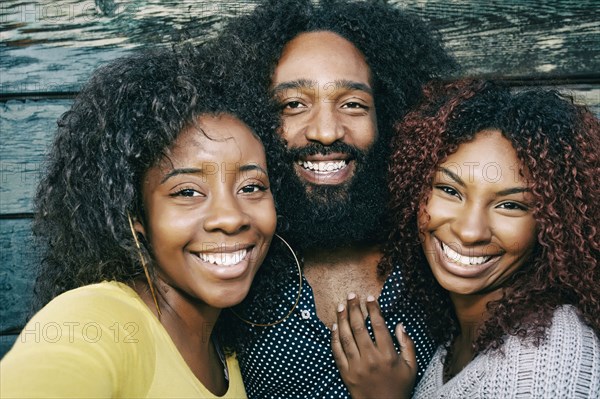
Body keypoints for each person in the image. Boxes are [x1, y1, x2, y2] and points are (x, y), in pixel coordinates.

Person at [0, 45, 285, 398]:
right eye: (187, 192)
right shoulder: (98, 321)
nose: (230, 218)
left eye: (252, 186)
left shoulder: (230, 353)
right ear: (135, 214)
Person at [209, 0, 456, 397]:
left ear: (392, 116)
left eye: (353, 104)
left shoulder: (441, 257)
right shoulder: (228, 261)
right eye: (293, 105)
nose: (325, 132)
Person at [334, 79, 600, 398]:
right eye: (449, 190)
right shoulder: (465, 329)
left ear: (553, 221)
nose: (470, 231)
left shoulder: (547, 360)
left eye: (510, 205)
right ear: (415, 188)